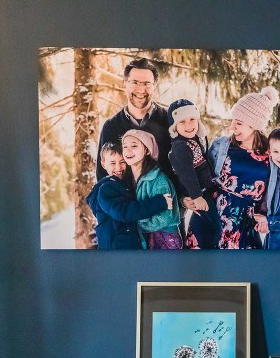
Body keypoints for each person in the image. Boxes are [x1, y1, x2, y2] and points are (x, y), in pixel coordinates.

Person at [208, 87, 280, 249]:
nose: (233, 127)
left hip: (245, 223)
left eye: (239, 123)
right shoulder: (221, 146)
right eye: (232, 121)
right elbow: (201, 173)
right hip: (212, 217)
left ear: (254, 125)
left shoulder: (271, 153)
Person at [95, 58, 181, 201]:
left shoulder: (170, 121)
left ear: (154, 86)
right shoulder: (111, 126)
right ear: (125, 84)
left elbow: (183, 164)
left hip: (166, 212)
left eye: (147, 84)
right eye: (134, 82)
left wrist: (182, 198)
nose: (141, 89)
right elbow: (103, 174)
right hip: (127, 214)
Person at [86, 142, 172, 250]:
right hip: (117, 248)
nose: (118, 167)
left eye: (122, 162)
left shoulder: (120, 184)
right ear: (103, 164)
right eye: (112, 163)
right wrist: (159, 203)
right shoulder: (105, 189)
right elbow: (124, 212)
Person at [167, 99, 221, 249]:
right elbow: (187, 175)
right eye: (182, 122)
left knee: (208, 222)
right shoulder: (180, 147)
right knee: (214, 226)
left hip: (206, 188)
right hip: (195, 192)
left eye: (192, 119)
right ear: (174, 127)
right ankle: (211, 253)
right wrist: (197, 196)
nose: (189, 125)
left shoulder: (197, 138)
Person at [122, 129, 181, 249]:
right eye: (124, 146)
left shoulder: (157, 179)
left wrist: (136, 224)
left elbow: (164, 218)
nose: (128, 150)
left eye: (134, 146)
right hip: (145, 237)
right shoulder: (128, 179)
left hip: (165, 238)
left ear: (147, 150)